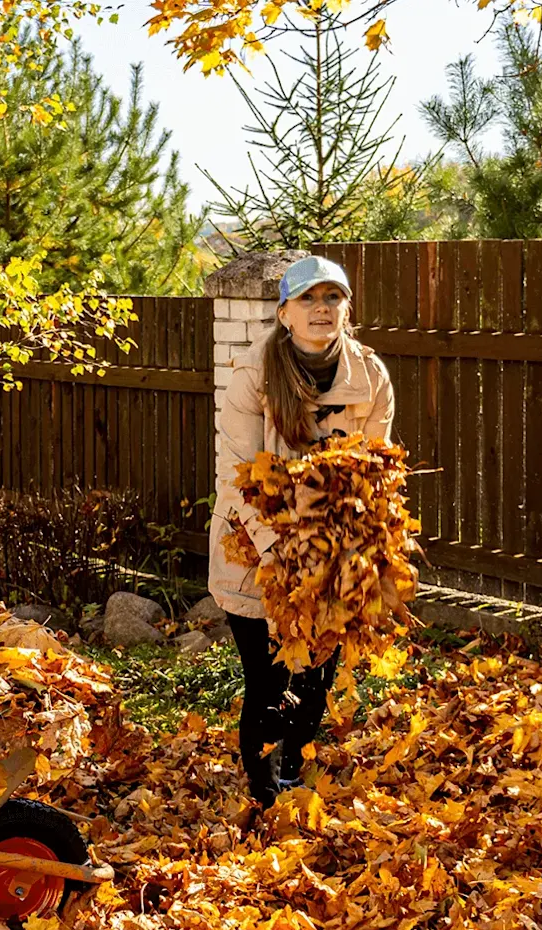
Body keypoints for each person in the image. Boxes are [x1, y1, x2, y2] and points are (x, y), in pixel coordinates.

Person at [208, 255, 396, 809]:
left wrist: (350, 556)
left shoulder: (370, 375)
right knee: (269, 684)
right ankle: (264, 797)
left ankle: (292, 770)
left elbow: (373, 471)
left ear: (347, 309)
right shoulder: (253, 376)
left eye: (332, 297)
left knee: (315, 679)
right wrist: (283, 557)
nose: (321, 308)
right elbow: (236, 478)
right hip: (255, 553)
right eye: (307, 298)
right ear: (284, 313)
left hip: (334, 554)